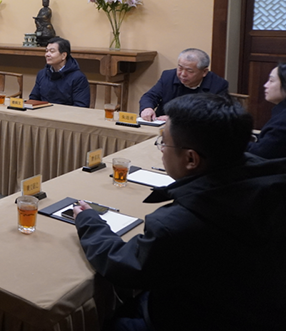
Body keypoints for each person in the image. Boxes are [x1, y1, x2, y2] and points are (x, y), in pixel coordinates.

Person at [72, 94, 286, 331]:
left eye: (164, 142)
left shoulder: (177, 224)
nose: (162, 150)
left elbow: (126, 267)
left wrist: (89, 222)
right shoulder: (273, 185)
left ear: (191, 158)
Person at [139, 48, 228, 121]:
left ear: (204, 72)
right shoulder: (168, 76)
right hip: (162, 126)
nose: (183, 74)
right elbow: (150, 96)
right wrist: (147, 108)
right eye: (180, 68)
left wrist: (177, 119)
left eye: (189, 71)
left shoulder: (218, 85)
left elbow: (215, 114)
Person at [29, 37, 89, 107]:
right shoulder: (42, 74)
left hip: (66, 113)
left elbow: (81, 106)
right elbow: (34, 99)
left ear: (63, 55)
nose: (47, 54)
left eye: (52, 51)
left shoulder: (78, 77)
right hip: (44, 112)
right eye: (46, 51)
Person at [248, 63, 286, 159]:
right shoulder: (281, 112)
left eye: (271, 81)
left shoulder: (282, 121)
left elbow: (261, 152)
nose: (265, 85)